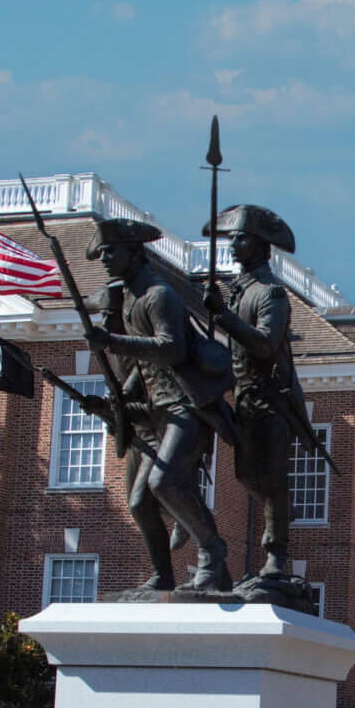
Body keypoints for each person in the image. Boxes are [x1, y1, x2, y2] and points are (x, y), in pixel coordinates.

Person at [86, 218, 235, 594]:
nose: (104, 259)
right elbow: (141, 368)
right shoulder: (131, 299)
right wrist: (116, 402)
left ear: (133, 252)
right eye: (101, 252)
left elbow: (171, 349)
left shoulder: (158, 295)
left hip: (187, 407)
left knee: (163, 482)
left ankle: (212, 551)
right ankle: (163, 576)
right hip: (156, 413)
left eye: (111, 251)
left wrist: (112, 341)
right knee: (139, 502)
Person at [204, 204, 317, 598]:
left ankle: (275, 555)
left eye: (241, 238)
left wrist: (225, 317)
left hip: (272, 399)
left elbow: (267, 345)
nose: (233, 244)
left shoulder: (271, 294)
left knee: (271, 482)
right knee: (247, 477)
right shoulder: (239, 292)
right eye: (232, 237)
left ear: (261, 246)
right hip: (245, 397)